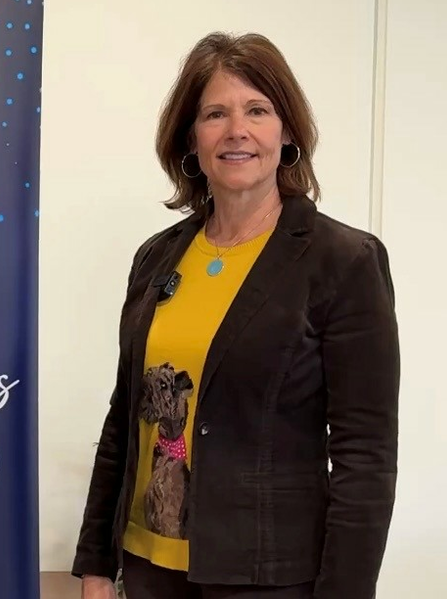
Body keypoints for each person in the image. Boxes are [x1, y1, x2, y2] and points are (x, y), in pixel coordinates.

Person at [71, 32, 399, 599]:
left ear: (287, 131)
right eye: (215, 114)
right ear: (190, 138)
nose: (236, 131)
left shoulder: (343, 261)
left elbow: (365, 456)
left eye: (257, 110)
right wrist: (97, 562)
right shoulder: (156, 258)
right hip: (148, 569)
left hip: (269, 578)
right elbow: (123, 419)